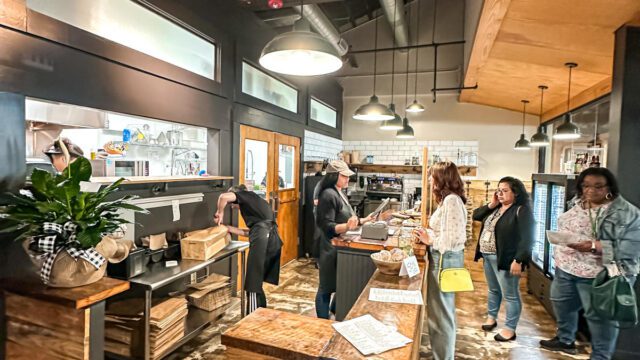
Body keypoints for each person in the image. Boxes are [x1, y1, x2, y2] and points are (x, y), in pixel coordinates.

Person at [540, 168, 640, 359]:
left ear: (609, 187)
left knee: (600, 319)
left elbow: (633, 248)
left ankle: (601, 356)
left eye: (598, 186)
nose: (590, 191)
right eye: (585, 186)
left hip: (599, 275)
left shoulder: (626, 213)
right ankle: (565, 339)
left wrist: (595, 246)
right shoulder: (577, 202)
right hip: (566, 267)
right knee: (562, 304)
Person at [415, 161, 468, 360]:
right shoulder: (448, 200)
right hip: (442, 259)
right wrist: (428, 234)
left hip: (444, 261)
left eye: (432, 176)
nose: (429, 179)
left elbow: (451, 240)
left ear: (442, 179)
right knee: (439, 314)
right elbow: (445, 233)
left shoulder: (451, 201)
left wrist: (430, 239)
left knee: (442, 316)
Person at [472, 177, 534, 342]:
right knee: (493, 290)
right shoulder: (496, 208)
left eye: (505, 191)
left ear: (516, 193)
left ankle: (510, 329)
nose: (500, 194)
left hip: (506, 260)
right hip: (488, 257)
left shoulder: (521, 210)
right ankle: (491, 318)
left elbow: (527, 238)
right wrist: (492, 203)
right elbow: (476, 215)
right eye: (498, 190)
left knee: (511, 295)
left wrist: (519, 260)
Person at [315, 160, 373, 319]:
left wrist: (363, 220)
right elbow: (327, 226)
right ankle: (321, 324)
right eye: (344, 175)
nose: (348, 179)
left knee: (339, 284)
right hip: (329, 247)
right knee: (325, 288)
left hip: (340, 247)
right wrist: (347, 227)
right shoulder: (328, 194)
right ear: (334, 176)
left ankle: (335, 311)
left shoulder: (339, 191)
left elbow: (347, 219)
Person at [214, 184, 282, 314]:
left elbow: (223, 197)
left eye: (233, 204)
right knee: (256, 282)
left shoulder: (246, 195)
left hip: (263, 240)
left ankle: (251, 319)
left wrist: (220, 212)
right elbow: (252, 231)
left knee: (253, 284)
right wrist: (228, 228)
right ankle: (261, 314)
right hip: (270, 239)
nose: (233, 207)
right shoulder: (255, 202)